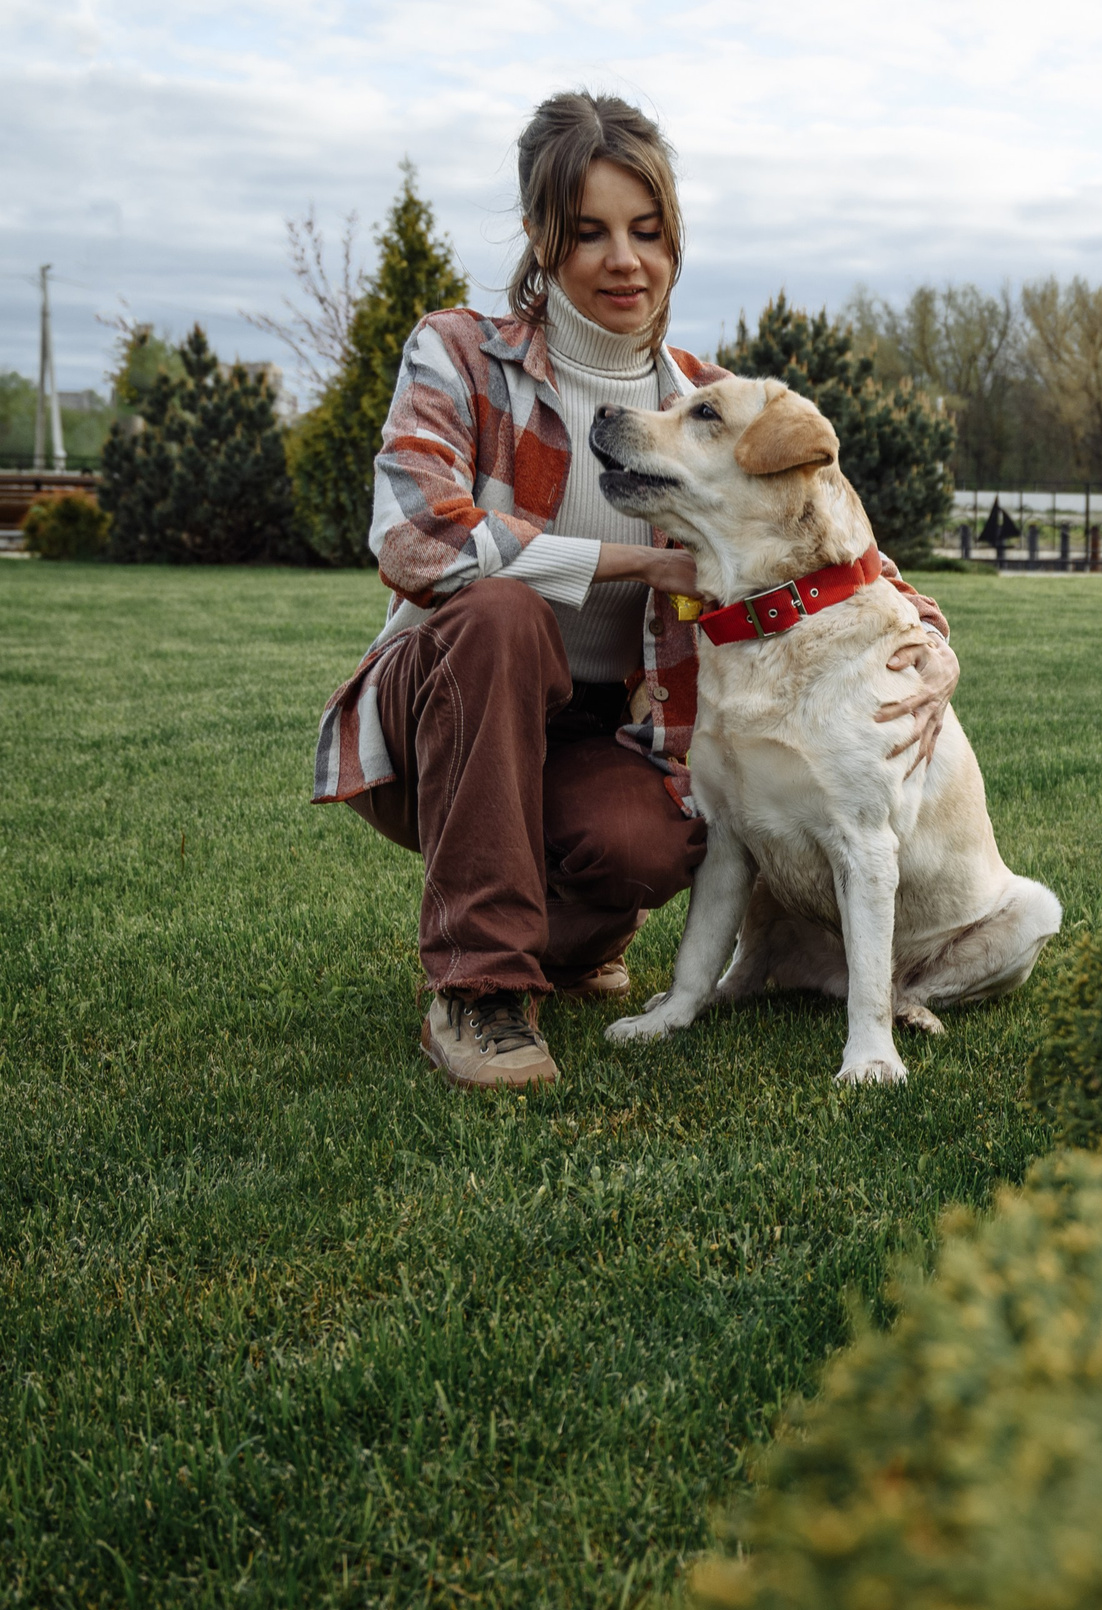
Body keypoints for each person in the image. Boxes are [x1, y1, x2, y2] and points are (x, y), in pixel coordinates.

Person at [312, 91, 957, 1090]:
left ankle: (567, 948)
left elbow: (833, 543)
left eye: (648, 232)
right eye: (590, 232)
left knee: (651, 837)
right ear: (539, 238)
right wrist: (634, 563)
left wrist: (927, 634)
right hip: (446, 709)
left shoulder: (701, 401)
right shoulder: (459, 354)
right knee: (498, 611)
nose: (626, 260)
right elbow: (415, 535)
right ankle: (479, 990)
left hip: (601, 730)